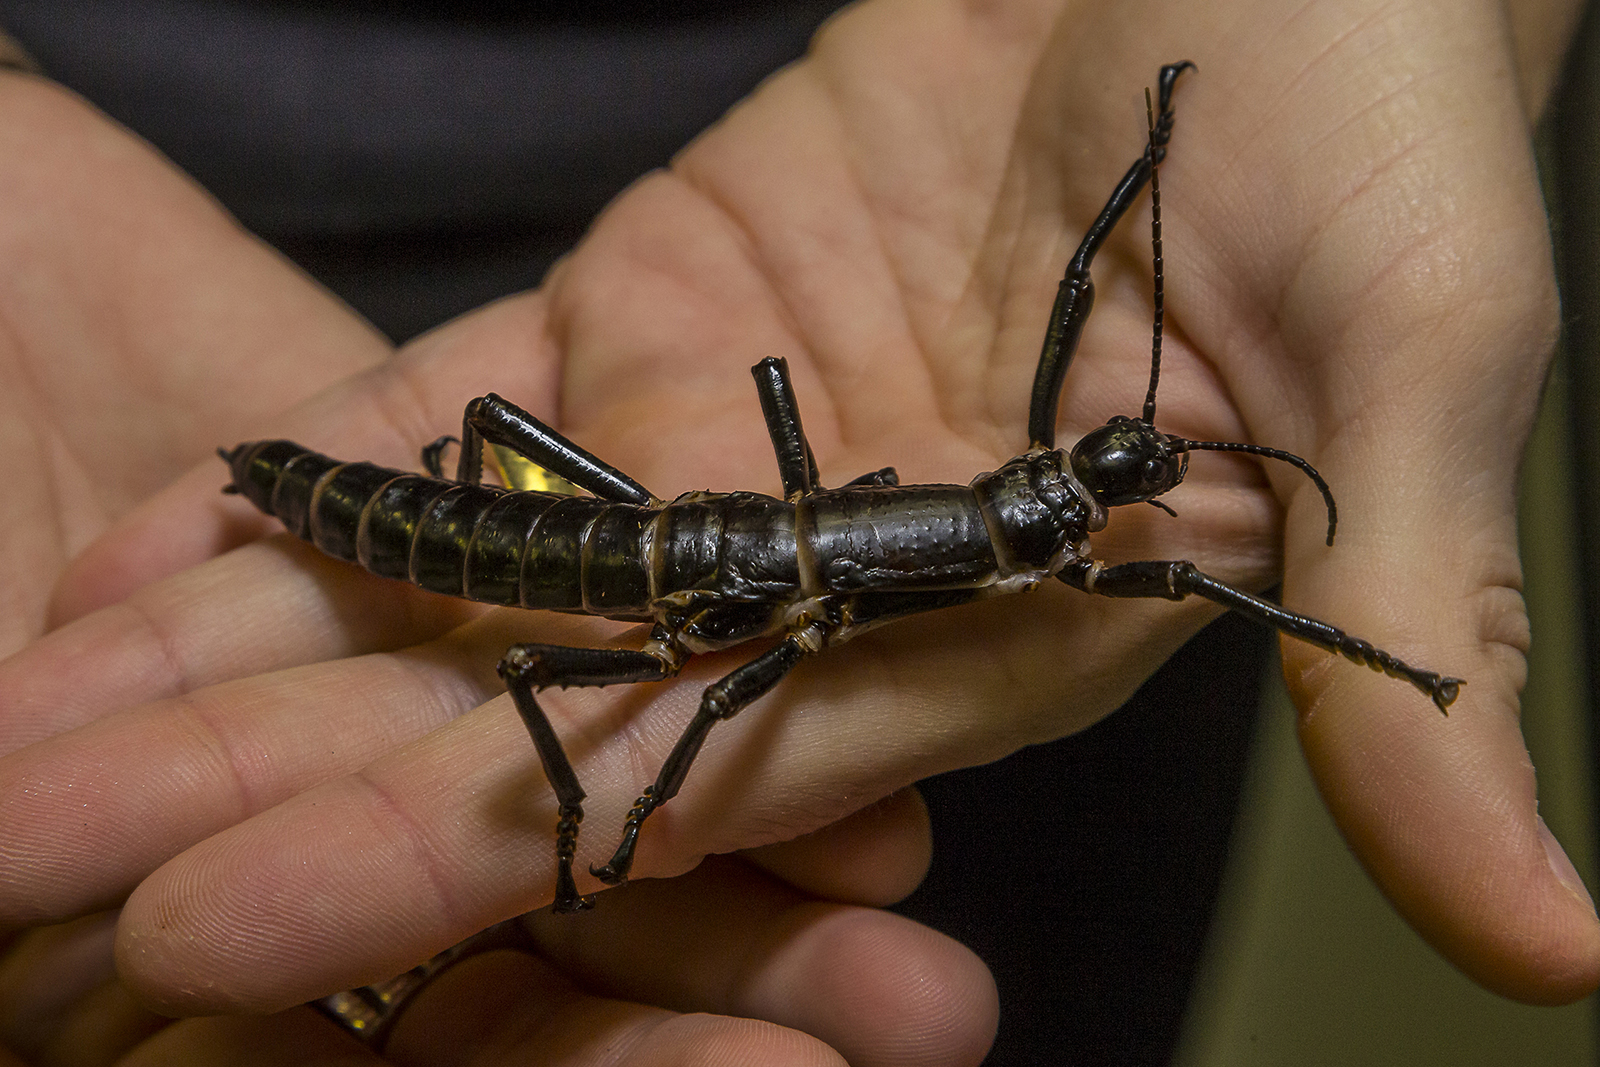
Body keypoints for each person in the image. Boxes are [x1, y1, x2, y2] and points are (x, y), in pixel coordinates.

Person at [0, 0, 1594, 1062]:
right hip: (539, 489)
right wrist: (601, 834)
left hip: (746, 448)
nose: (1105, 481)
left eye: (1094, 481)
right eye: (1088, 487)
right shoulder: (1015, 546)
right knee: (573, 701)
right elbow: (700, 716)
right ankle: (550, 794)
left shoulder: (1018, 536)